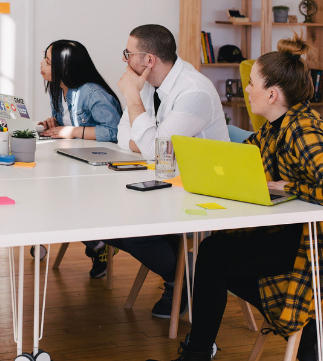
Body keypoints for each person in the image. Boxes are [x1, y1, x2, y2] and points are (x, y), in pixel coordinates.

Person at [153, 33, 323, 361]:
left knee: (214, 256)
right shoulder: (276, 128)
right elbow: (245, 159)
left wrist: (286, 187)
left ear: (272, 94)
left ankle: (204, 351)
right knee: (216, 254)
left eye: (251, 84)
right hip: (294, 231)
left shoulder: (305, 132)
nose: (246, 89)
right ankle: (300, 332)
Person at [91, 25, 230, 319]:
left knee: (127, 228)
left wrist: (132, 98)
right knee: (106, 221)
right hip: (170, 181)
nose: (125, 60)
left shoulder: (193, 92)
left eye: (128, 54)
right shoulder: (157, 87)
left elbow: (153, 149)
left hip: (201, 189)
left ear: (149, 60)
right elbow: (127, 139)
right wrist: (145, 131)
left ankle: (184, 279)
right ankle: (180, 274)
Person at [38, 40, 122, 142]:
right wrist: (55, 124)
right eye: (44, 59)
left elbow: (114, 131)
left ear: (65, 69)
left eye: (47, 62)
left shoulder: (92, 93)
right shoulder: (57, 89)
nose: (42, 63)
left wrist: (73, 131)